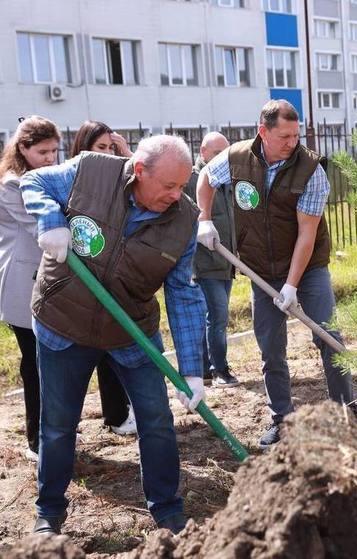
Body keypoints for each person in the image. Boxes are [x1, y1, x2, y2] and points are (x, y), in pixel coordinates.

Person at [20, 135, 206, 535]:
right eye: (169, 186)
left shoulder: (184, 220)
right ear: (139, 171)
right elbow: (31, 183)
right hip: (64, 323)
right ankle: (49, 513)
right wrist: (50, 220)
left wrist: (192, 370)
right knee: (57, 425)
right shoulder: (89, 172)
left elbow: (184, 294)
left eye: (183, 186)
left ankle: (168, 511)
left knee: (156, 419)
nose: (177, 195)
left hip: (131, 331)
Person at [195, 100, 357, 448]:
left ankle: (347, 410)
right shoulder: (235, 157)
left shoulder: (311, 170)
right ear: (263, 131)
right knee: (271, 348)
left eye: (296, 134)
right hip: (261, 267)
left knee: (326, 335)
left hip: (308, 268)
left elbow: (307, 234)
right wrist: (204, 219)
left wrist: (292, 285)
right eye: (284, 136)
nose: (293, 142)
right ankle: (282, 419)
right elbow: (204, 178)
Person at [68, 121, 136, 436]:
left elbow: (145, 179)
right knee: (77, 358)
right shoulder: (72, 180)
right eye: (101, 148)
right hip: (81, 280)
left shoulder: (119, 180)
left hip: (114, 275)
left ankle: (117, 414)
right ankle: (68, 423)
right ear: (84, 149)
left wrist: (125, 152)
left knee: (112, 348)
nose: (108, 155)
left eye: (111, 148)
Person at [0, 115, 60, 462]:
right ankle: (36, 438)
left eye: (54, 150)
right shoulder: (12, 184)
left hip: (46, 278)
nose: (51, 157)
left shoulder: (45, 175)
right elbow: (37, 223)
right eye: (42, 151)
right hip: (23, 280)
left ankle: (54, 427)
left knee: (50, 359)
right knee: (34, 361)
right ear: (22, 149)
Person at [184, 132, 240, 387]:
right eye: (217, 153)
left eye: (225, 153)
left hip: (226, 263)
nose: (222, 159)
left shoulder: (225, 180)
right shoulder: (192, 179)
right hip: (204, 263)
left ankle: (206, 368)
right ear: (203, 152)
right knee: (217, 317)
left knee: (213, 317)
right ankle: (220, 370)